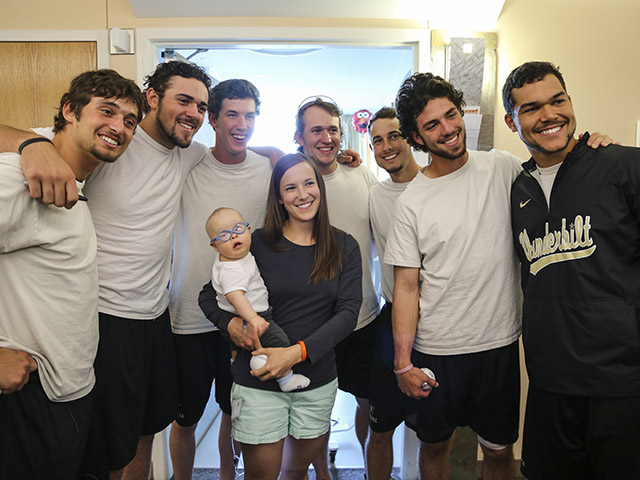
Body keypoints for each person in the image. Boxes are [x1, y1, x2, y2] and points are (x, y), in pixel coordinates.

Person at [1, 60, 212, 479]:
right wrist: (31, 145)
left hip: (151, 317)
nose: (193, 112)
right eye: (183, 99)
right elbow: (32, 142)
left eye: (202, 106)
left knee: (140, 432)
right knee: (102, 450)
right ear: (155, 97)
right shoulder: (82, 156)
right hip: (102, 320)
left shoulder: (185, 154)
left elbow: (247, 153)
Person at [0, 69, 144, 479]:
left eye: (130, 121)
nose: (118, 127)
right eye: (107, 111)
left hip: (71, 393)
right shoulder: (19, 178)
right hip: (29, 401)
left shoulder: (75, 184)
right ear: (70, 111)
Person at [503, 61, 640, 480]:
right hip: (549, 381)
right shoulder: (517, 187)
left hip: (621, 383)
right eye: (531, 108)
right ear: (512, 122)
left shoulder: (622, 166)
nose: (549, 115)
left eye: (558, 100)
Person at [199, 153, 363, 480]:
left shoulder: (345, 246)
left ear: (320, 188)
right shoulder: (254, 243)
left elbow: (348, 314)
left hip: (314, 382)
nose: (302, 194)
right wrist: (230, 324)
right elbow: (208, 296)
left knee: (294, 471)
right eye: (290, 188)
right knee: (262, 475)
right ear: (279, 197)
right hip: (257, 383)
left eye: (308, 184)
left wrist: (294, 353)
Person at [167, 78, 274, 480]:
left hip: (242, 317)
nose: (241, 124)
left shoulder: (268, 168)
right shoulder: (188, 160)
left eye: (249, 115)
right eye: (231, 113)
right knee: (187, 416)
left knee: (235, 412)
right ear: (212, 118)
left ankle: (229, 475)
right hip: (189, 318)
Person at [293, 97, 380, 478]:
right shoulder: (291, 179)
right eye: (316, 130)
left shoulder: (360, 174)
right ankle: (322, 472)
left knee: (369, 403)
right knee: (316, 407)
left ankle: (362, 465)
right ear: (299, 137)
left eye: (332, 130)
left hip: (362, 318)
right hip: (313, 325)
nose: (326, 138)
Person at [365, 107, 422, 480]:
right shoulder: (373, 195)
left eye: (394, 135)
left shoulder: (436, 183)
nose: (387, 146)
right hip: (391, 321)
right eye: (377, 141)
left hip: (441, 321)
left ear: (412, 136)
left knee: (433, 428)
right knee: (381, 425)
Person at [206, 206, 310, 392]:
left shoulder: (233, 258)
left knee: (239, 347)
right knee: (280, 342)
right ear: (214, 246)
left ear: (248, 229)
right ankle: (286, 379)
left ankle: (237, 357)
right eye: (224, 235)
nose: (233, 236)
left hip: (237, 319)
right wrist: (253, 319)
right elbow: (235, 297)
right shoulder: (232, 270)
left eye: (237, 229)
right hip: (251, 317)